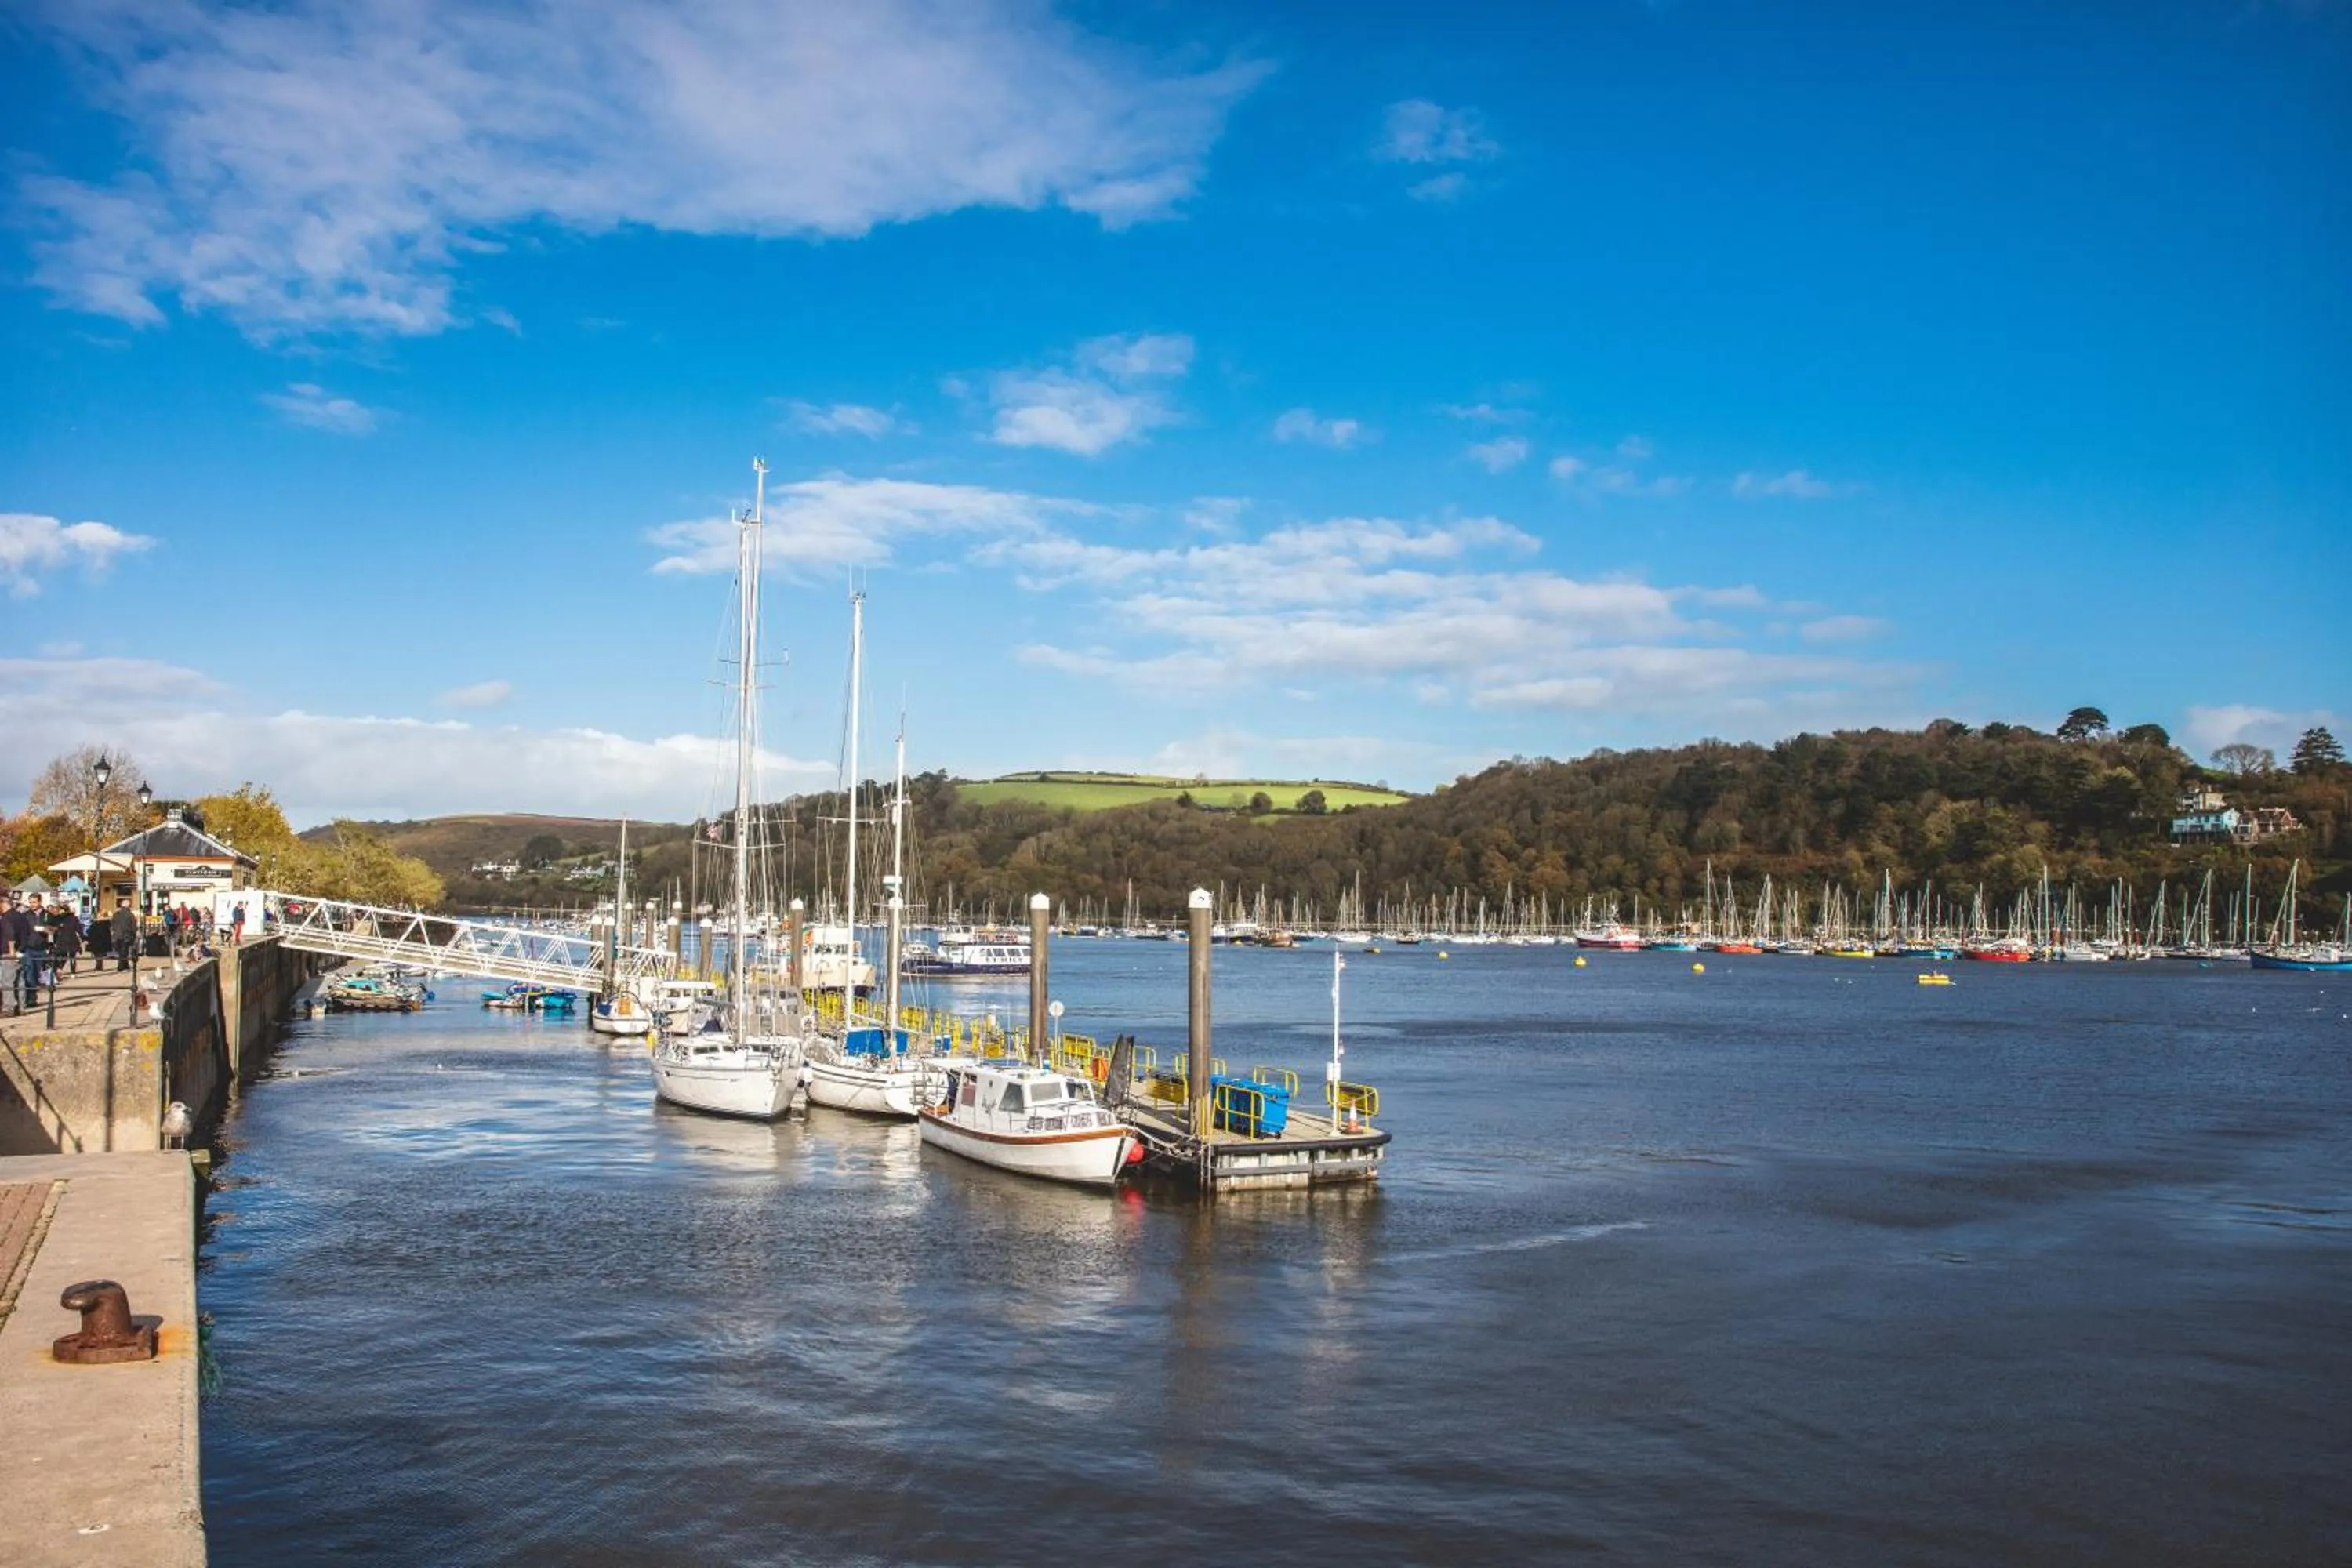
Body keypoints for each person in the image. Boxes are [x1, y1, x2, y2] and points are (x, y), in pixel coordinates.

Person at [50, 903, 83, 976]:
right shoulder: (74, 918)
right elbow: (79, 929)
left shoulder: (59, 918)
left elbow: (54, 930)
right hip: (72, 939)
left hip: (62, 939)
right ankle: (72, 973)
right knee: (72, 956)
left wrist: (55, 941)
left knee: (63, 956)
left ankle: (60, 969)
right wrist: (82, 937)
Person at [110, 899, 137, 972]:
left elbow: (112, 924)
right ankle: (121, 968)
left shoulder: (116, 914)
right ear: (128, 905)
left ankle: (126, 966)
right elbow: (134, 926)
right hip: (126, 935)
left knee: (121, 952)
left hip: (117, 935)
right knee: (124, 952)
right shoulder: (130, 914)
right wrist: (134, 935)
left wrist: (114, 932)